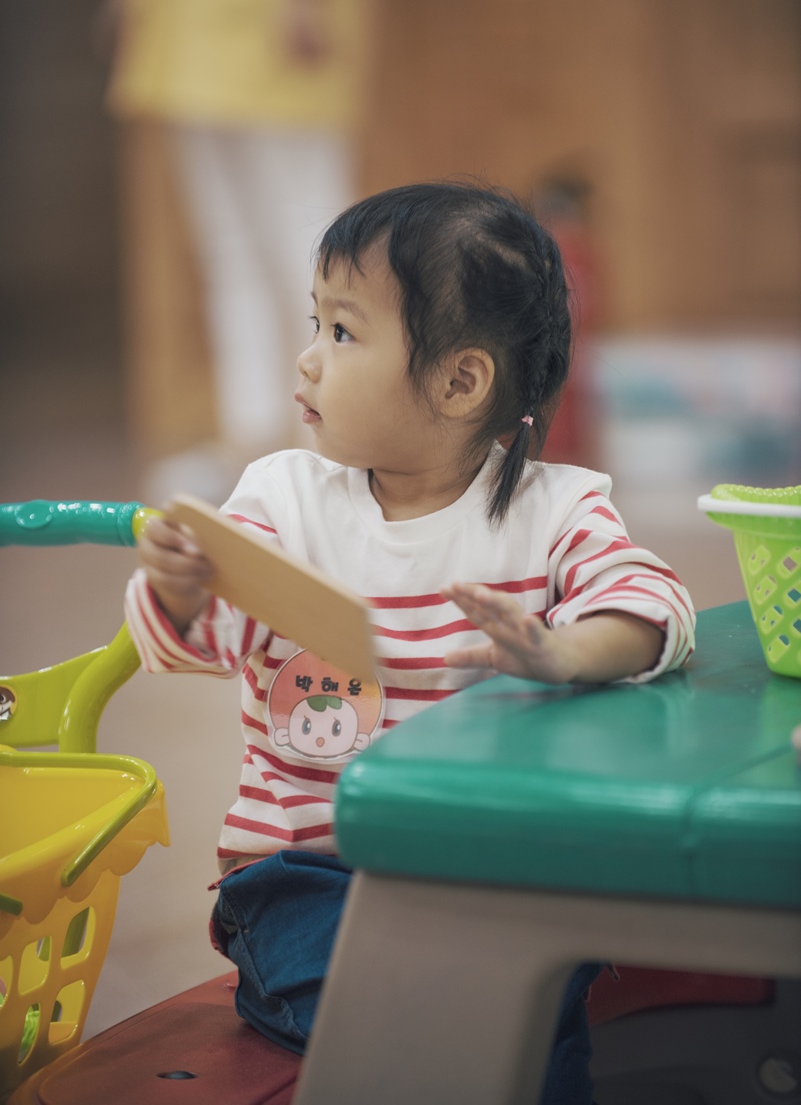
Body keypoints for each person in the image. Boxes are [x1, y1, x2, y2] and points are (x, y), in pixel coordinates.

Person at [124, 181, 696, 1104]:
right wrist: (184, 587)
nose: (307, 358)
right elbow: (209, 635)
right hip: (310, 875)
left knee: (530, 1004)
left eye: (342, 333)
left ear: (459, 382)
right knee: (396, 1016)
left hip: (494, 869)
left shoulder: (557, 510)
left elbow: (649, 600)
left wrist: (564, 651)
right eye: (315, 323)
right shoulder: (281, 498)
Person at [105, 0, 376, 500]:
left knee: (317, 250)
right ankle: (251, 437)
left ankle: (334, 440)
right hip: (180, 3)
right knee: (227, 248)